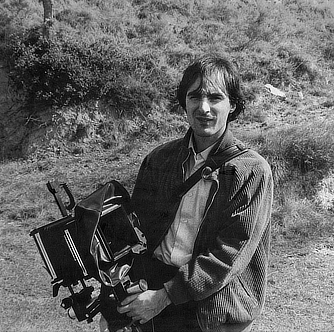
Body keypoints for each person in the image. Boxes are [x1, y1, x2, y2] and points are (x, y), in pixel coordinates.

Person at [100, 55, 273, 332]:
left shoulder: (251, 171)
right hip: (153, 289)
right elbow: (135, 234)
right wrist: (116, 305)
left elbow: (230, 253)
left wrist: (165, 296)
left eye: (215, 98)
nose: (204, 108)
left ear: (233, 106)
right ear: (184, 104)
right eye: (194, 97)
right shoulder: (159, 159)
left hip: (213, 303)